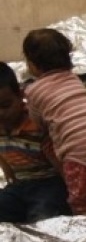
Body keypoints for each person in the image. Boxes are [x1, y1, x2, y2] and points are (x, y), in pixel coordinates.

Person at [23, 29, 86, 217]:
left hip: (80, 152)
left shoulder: (33, 91)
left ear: (32, 65)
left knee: (79, 196)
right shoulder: (73, 78)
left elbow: (38, 121)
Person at [0, 61, 70, 222]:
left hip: (49, 183)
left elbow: (59, 163)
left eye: (5, 105)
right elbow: (4, 159)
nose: (0, 114)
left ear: (20, 96)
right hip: (20, 184)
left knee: (44, 216)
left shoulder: (37, 124)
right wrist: (11, 178)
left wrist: (73, 191)